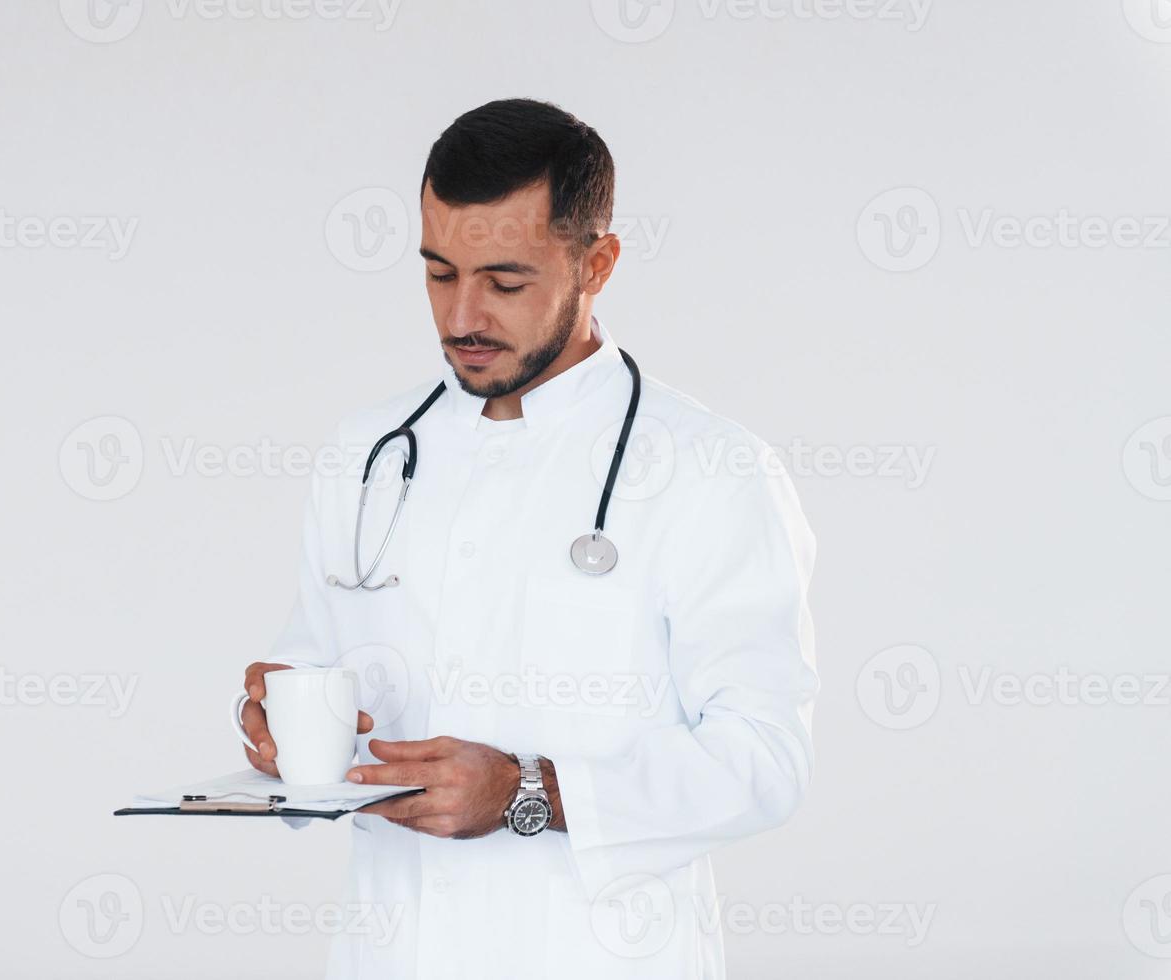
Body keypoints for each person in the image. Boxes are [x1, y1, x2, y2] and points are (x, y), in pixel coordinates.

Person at [236, 97, 818, 979]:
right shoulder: (368, 455)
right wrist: (279, 728)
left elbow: (765, 758)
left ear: (598, 263)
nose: (462, 316)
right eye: (438, 273)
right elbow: (319, 672)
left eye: (505, 283)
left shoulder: (710, 469)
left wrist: (529, 792)